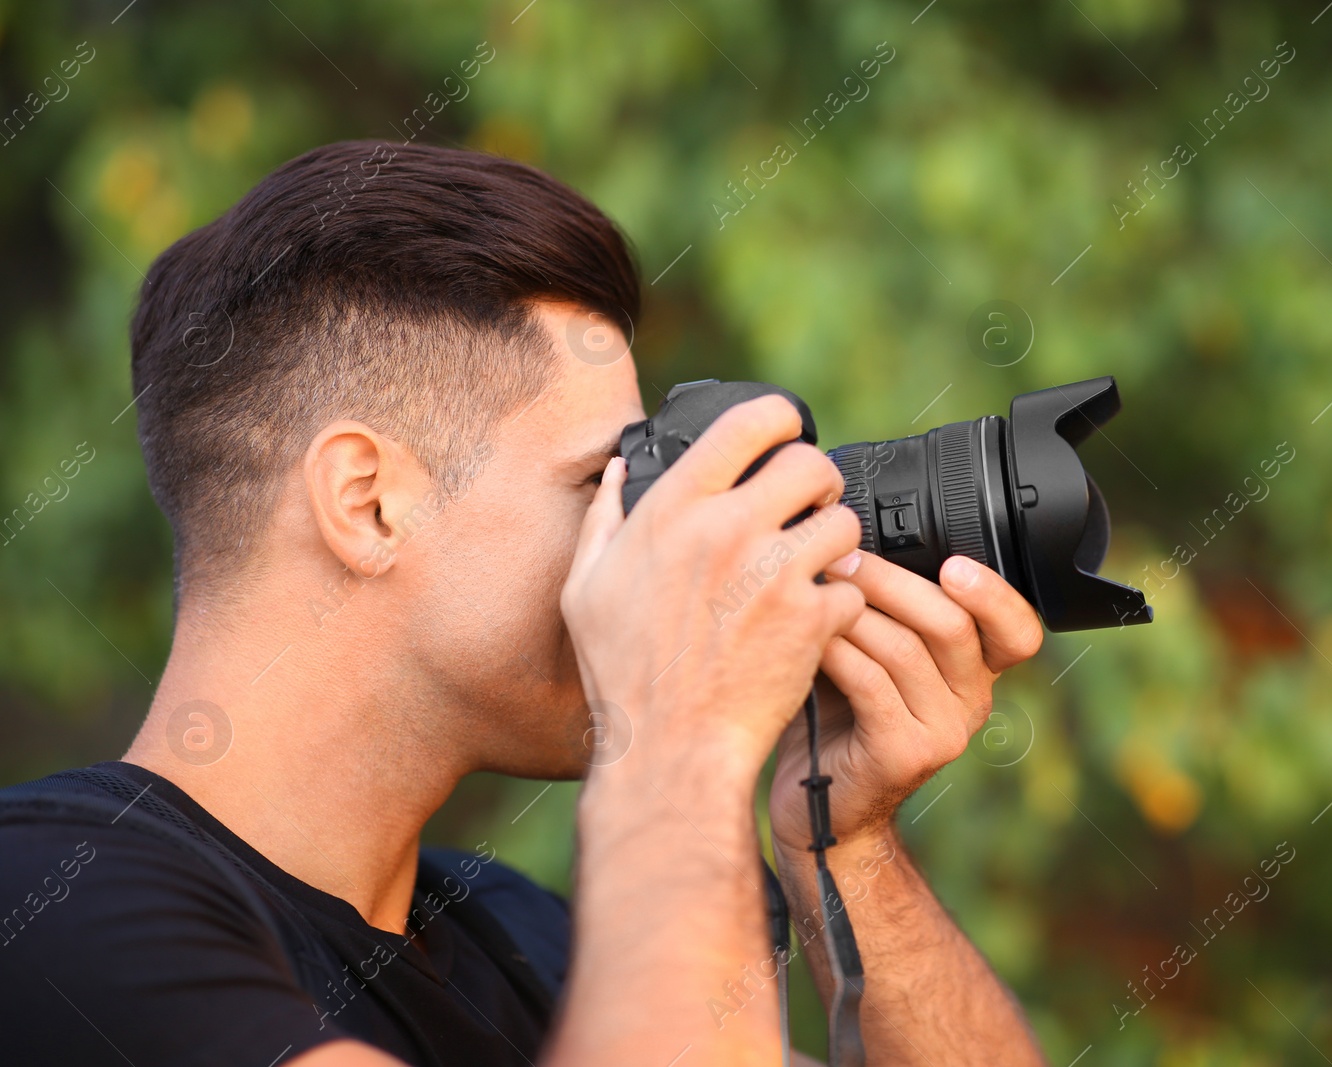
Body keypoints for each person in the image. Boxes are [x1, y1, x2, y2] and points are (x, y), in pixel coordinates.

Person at [0, 141, 1048, 1066]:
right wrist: (680, 734)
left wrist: (843, 844)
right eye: (606, 481)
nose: (649, 540)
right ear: (367, 504)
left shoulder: (520, 940)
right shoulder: (55, 906)